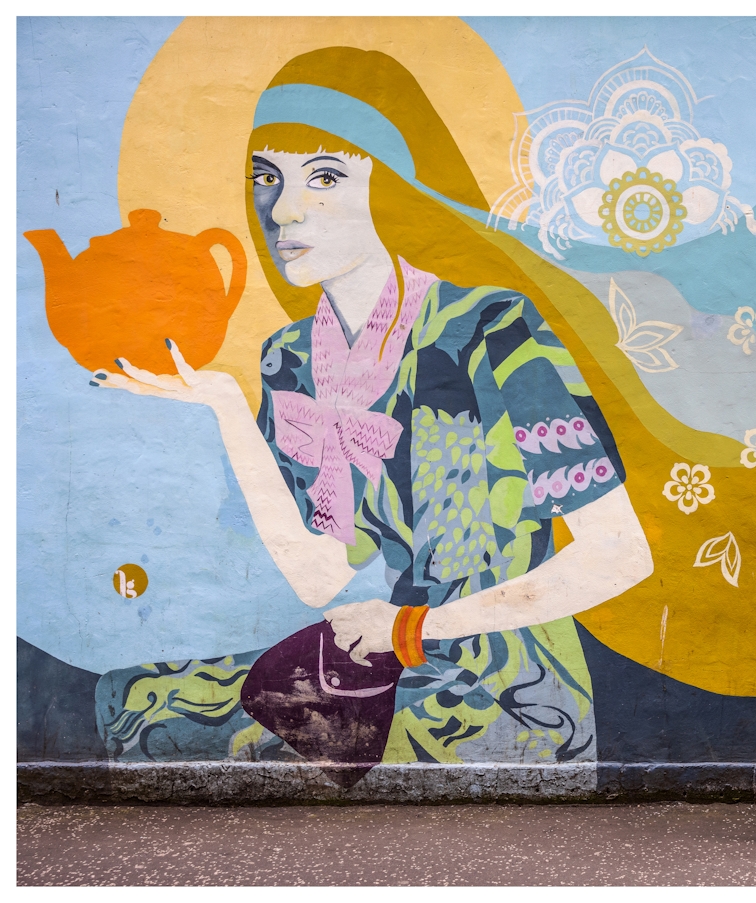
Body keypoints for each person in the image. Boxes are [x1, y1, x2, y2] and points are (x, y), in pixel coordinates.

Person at [91, 48, 653, 775]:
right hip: (365, 662)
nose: (283, 209)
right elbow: (319, 579)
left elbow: (621, 553)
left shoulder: (491, 332)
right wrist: (230, 412)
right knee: (131, 702)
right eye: (268, 178)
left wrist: (416, 626)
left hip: (492, 678)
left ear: (392, 188)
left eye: (325, 177)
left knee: (219, 744)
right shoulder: (285, 358)